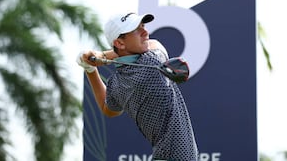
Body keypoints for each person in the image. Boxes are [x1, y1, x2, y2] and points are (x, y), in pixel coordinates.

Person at [76, 12, 199, 161]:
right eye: (136, 30)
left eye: (143, 26)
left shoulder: (116, 83)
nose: (145, 32)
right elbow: (156, 44)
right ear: (120, 43)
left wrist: (90, 69)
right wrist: (102, 55)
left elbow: (107, 108)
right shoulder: (150, 62)